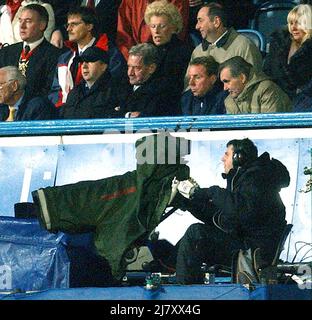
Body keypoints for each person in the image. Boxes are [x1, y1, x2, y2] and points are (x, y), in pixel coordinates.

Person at [30, 132, 191, 282]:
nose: (185, 162)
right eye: (180, 159)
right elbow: (78, 199)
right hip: (108, 259)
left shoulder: (151, 187)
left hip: (116, 256)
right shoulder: (125, 189)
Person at [172, 138, 290, 284]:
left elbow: (239, 211)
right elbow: (223, 219)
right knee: (195, 236)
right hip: (247, 246)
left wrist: (211, 192)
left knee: (196, 233)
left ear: (238, 157)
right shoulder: (248, 180)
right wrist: (191, 203)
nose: (222, 158)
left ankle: (182, 293)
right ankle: (180, 280)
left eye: (227, 154)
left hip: (250, 251)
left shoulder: (257, 180)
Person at [48, 6, 127, 108]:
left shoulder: (109, 53)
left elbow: (117, 86)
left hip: (96, 110)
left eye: (74, 24)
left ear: (89, 26)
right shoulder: (64, 58)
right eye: (67, 25)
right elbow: (55, 90)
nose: (68, 29)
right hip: (65, 113)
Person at [0, 4, 62, 99]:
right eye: (20, 20)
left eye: (28, 21)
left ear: (42, 25)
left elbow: (48, 92)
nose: (22, 26)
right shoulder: (6, 52)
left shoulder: (55, 55)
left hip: (34, 110)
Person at [191, 2, 263, 72]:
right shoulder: (198, 51)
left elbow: (253, 82)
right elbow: (189, 82)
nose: (197, 26)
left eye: (200, 20)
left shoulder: (244, 47)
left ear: (216, 22)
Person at [263, 4, 312, 101]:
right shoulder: (279, 43)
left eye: (298, 23)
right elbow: (268, 71)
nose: (293, 28)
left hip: (306, 100)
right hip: (277, 96)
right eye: (291, 23)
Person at [120, 43, 182, 117]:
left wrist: (122, 113)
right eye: (129, 66)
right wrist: (128, 115)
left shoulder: (162, 91)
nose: (130, 73)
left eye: (136, 68)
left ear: (151, 68)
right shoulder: (123, 86)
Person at [59, 46, 121, 119]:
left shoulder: (115, 90)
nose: (84, 66)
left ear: (103, 66)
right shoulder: (74, 93)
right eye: (82, 62)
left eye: (90, 61)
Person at [144, 0, 192, 94]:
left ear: (173, 27)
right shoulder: (147, 50)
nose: (156, 31)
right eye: (153, 26)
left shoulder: (182, 52)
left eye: (162, 26)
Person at [116, 0, 189, 61]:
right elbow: (123, 37)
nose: (156, 30)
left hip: (166, 53)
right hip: (134, 57)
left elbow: (177, 29)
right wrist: (134, 58)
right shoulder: (129, 2)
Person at [219, 56, 292, 114]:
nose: (225, 88)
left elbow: (270, 128)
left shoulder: (266, 89)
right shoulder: (229, 101)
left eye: (227, 81)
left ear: (242, 77)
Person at [48, 0, 121, 49]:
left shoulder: (116, 2)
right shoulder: (74, 2)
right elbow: (67, 19)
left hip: (103, 50)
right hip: (74, 49)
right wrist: (58, 31)